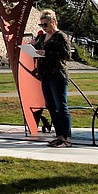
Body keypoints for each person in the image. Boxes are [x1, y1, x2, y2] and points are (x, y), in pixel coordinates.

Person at [33, 9, 74, 148]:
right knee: (51, 106)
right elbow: (37, 50)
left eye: (46, 24)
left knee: (61, 106)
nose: (44, 28)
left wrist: (47, 53)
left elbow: (66, 54)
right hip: (45, 75)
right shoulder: (42, 38)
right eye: (41, 25)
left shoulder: (60, 36)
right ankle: (59, 135)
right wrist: (33, 47)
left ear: (53, 22)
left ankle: (67, 138)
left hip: (57, 74)